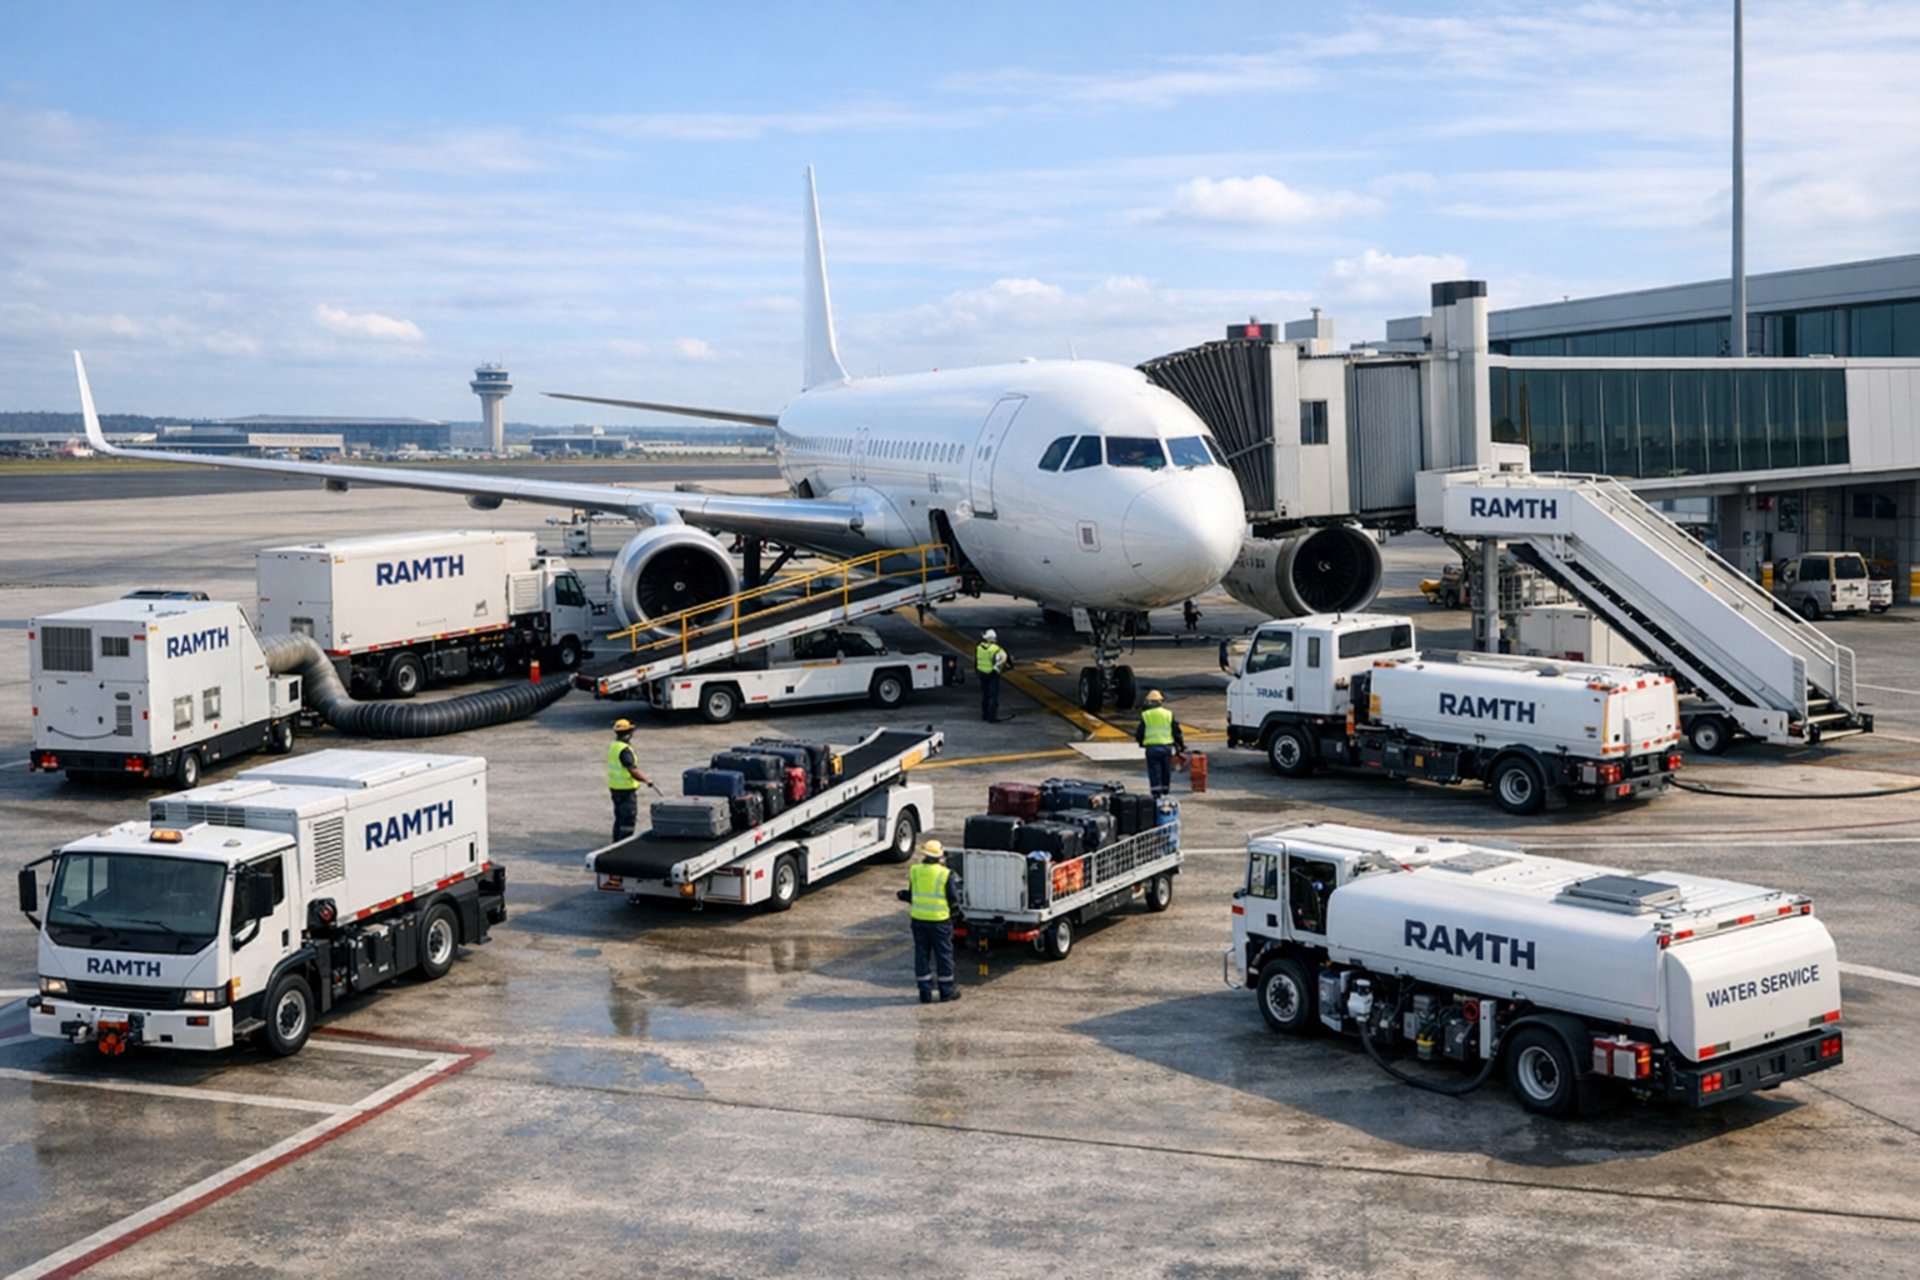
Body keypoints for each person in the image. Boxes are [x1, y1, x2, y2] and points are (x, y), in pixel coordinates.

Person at [896, 840, 962, 1003]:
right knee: (943, 955)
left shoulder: (915, 870)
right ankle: (946, 991)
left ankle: (924, 993)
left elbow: (913, 895)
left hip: (919, 920)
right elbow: (953, 899)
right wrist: (956, 914)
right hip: (939, 921)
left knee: (922, 955)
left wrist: (904, 895)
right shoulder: (945, 874)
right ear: (939, 856)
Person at [605, 718, 653, 843]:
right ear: (629, 732)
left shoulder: (614, 746)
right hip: (625, 790)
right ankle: (623, 843)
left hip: (615, 788)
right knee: (628, 818)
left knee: (619, 817)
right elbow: (632, 770)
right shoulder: (624, 750)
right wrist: (646, 780)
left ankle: (616, 842)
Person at [1134, 689, 1186, 800]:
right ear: (1160, 702)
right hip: (1166, 747)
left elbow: (1140, 732)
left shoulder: (1146, 715)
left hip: (1152, 748)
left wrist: (1140, 742)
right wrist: (1180, 745)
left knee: (1154, 770)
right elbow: (1176, 731)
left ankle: (1156, 793)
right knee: (1165, 770)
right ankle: (1165, 790)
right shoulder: (1168, 714)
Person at [975, 628, 1010, 722]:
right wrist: (997, 668)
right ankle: (992, 717)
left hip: (982, 673)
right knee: (993, 696)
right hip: (992, 675)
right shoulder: (996, 649)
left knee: (985, 695)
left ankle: (985, 715)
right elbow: (1003, 659)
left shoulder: (979, 647)